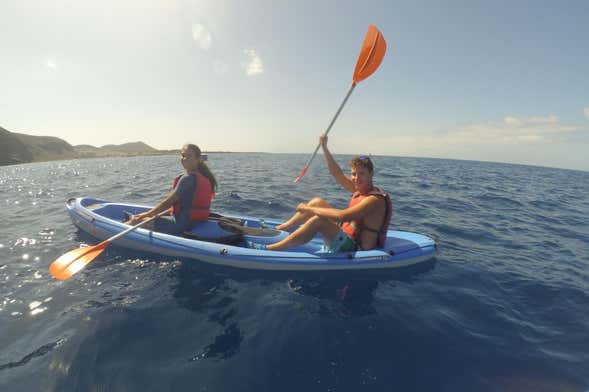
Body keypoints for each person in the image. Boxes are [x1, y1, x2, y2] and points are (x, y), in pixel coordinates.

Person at [249, 135, 392, 252]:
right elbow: (338, 173)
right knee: (317, 201)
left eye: (361, 174)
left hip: (356, 248)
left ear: (371, 174)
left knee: (319, 219)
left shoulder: (374, 200)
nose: (356, 178)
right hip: (346, 234)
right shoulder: (359, 188)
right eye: (354, 174)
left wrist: (307, 209)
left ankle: (270, 249)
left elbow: (343, 216)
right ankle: (278, 229)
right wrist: (324, 146)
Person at [125, 144, 217, 235]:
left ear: (198, 159)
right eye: (183, 156)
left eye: (188, 156)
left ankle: (121, 227)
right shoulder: (205, 177)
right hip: (195, 223)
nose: (184, 159)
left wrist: (147, 214)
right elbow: (186, 205)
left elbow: (168, 202)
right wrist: (158, 214)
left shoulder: (188, 178)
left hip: (180, 226)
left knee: (137, 220)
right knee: (147, 217)